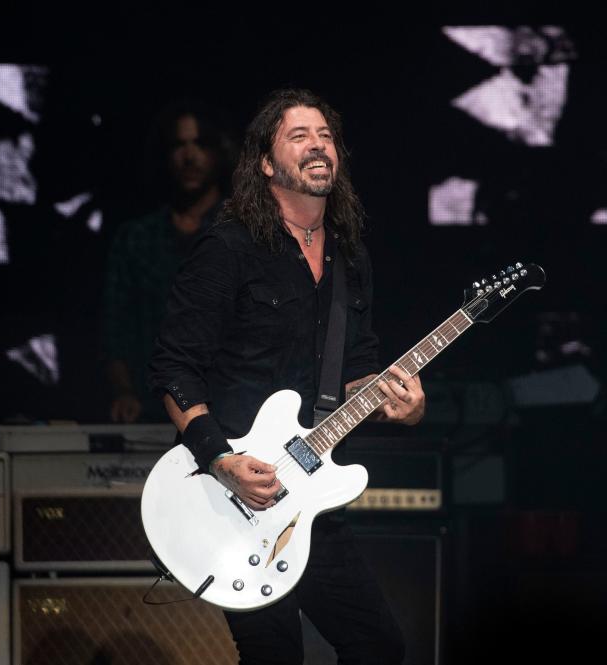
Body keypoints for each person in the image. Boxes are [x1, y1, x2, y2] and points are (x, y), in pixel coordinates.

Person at [148, 89, 425, 664]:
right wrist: (221, 460)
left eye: (325, 137)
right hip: (234, 495)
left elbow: (354, 374)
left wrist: (396, 401)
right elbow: (175, 367)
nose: (318, 146)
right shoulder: (230, 249)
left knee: (378, 646)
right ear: (266, 163)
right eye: (299, 136)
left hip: (310, 497)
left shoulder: (351, 257)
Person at [103, 99, 236, 423]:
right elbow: (115, 330)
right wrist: (123, 392)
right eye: (178, 145)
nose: (189, 157)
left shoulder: (243, 232)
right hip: (150, 413)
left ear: (218, 151)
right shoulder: (136, 238)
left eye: (200, 144)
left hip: (230, 413)